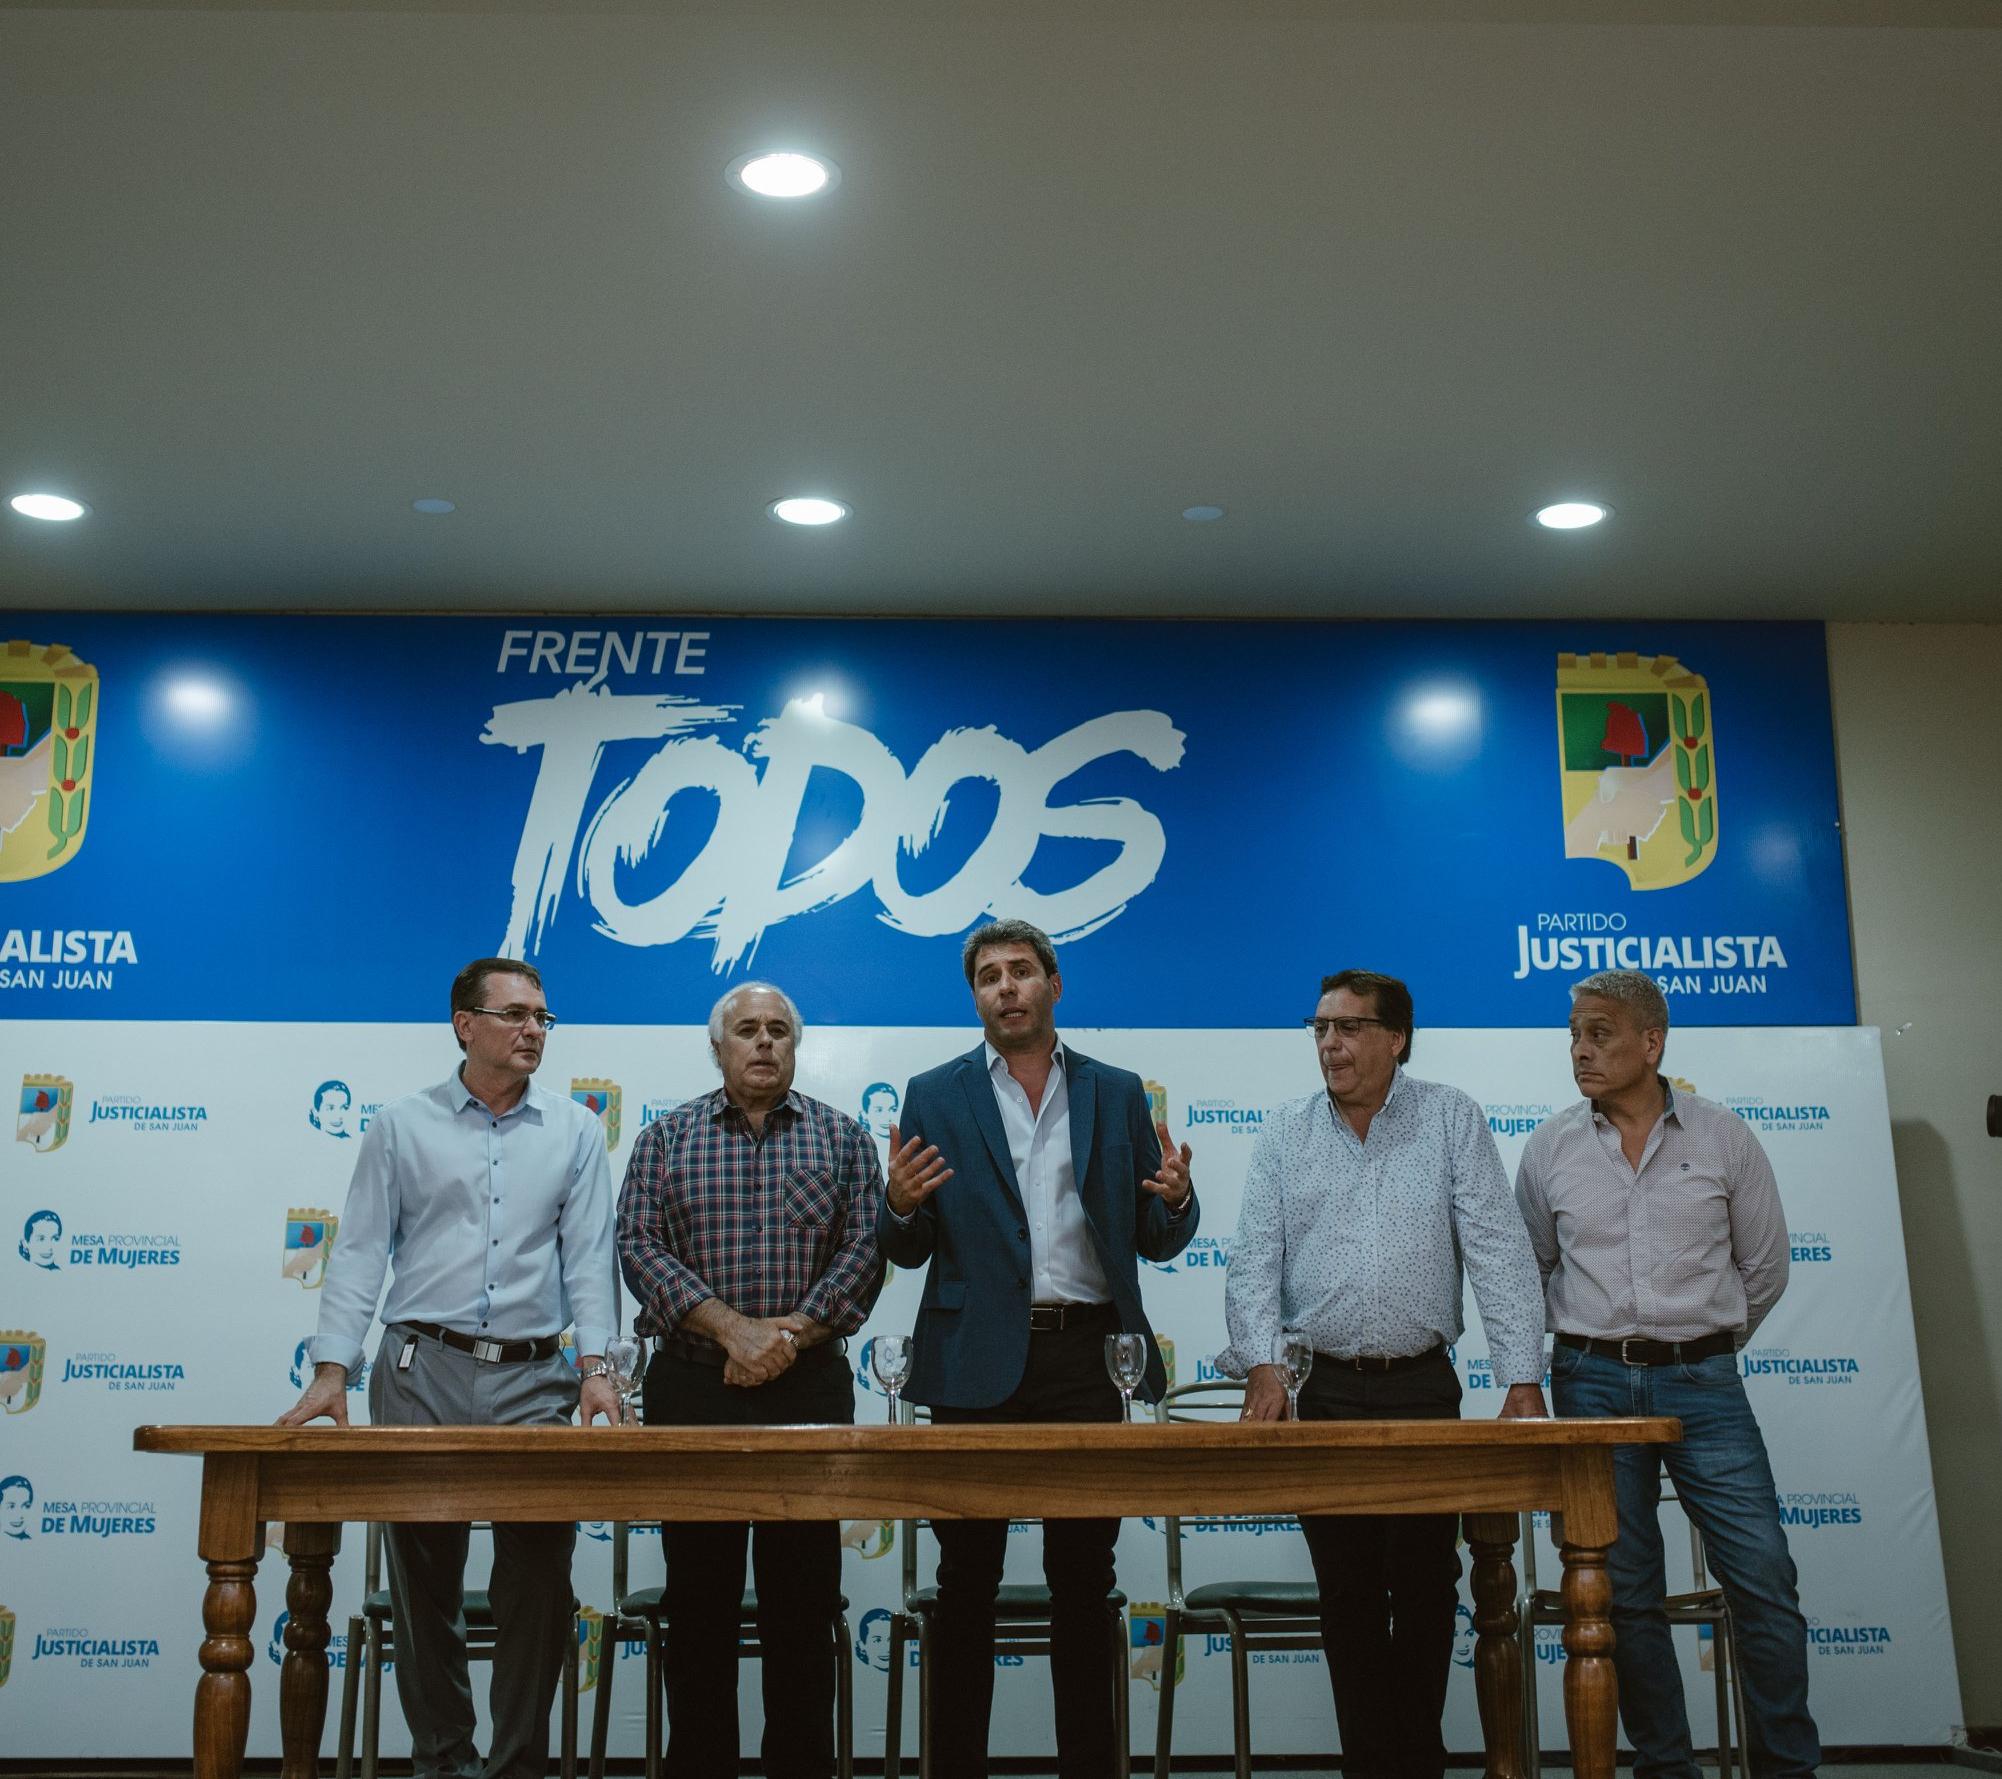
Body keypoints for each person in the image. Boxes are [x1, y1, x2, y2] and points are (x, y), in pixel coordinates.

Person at [278, 957, 619, 1779]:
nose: (534, 1029)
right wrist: (333, 1368)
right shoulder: (402, 1125)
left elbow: (589, 1259)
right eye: (515, 1014)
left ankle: (516, 1766)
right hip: (420, 1366)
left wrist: (598, 1367)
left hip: (535, 1377)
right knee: (424, 1582)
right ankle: (443, 1761)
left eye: (543, 1017)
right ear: (465, 1024)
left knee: (538, 1581)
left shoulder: (575, 1130)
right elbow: (360, 1251)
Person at [878, 917, 1196, 1779]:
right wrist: (898, 1204)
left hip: (1085, 1361)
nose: (1006, 987)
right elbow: (909, 1247)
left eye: (1021, 970)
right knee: (965, 1583)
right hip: (972, 1362)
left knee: (1084, 1582)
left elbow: (1155, 1233)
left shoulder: (1116, 1091)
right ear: (975, 996)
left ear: (1054, 984)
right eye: (989, 976)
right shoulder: (934, 1093)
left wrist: (1177, 1197)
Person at [1220, 968, 1546, 1779]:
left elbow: (1499, 1251)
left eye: (1349, 1027)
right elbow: (1253, 1260)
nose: (1330, 1043)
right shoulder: (1285, 1132)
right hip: (1322, 1390)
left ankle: (1416, 1758)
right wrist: (1262, 1364)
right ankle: (1372, 1763)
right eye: (1320, 1028)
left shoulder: (1450, 1118)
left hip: (1420, 1387)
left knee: (1429, 1583)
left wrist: (1521, 1377)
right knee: (1349, 1590)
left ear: (1396, 1037)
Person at [1515, 969, 1819, 1779]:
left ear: (1652, 1042)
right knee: (1622, 1592)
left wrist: (1702, 1346)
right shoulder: (1549, 1147)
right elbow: (1529, 1271)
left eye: (1600, 1033)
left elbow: (1765, 1268)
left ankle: (1787, 1768)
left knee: (1764, 1578)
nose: (1580, 1049)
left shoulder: (1724, 1137)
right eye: (1574, 1034)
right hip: (1589, 1384)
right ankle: (1666, 1766)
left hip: (1704, 1388)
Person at [617, 981, 884, 1779]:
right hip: (693, 1389)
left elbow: (864, 1252)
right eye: (746, 1030)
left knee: (803, 1607)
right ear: (718, 1047)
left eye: (778, 1030)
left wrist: (784, 1336)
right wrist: (733, 1329)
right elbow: (638, 1245)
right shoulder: (665, 1139)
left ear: (795, 1045)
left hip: (809, 1391)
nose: (764, 1042)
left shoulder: (843, 1139)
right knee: (699, 1605)